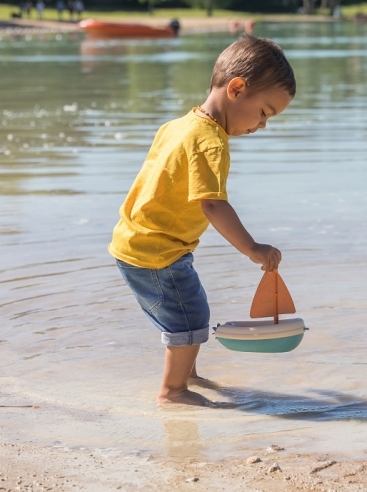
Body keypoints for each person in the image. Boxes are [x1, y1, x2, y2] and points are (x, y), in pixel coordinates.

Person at [108, 35, 296, 406]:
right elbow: (212, 204)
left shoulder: (179, 125)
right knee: (191, 317)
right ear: (237, 89)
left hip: (137, 241)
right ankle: (173, 390)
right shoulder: (211, 141)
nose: (262, 126)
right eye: (264, 112)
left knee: (186, 312)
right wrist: (253, 248)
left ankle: (186, 373)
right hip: (158, 251)